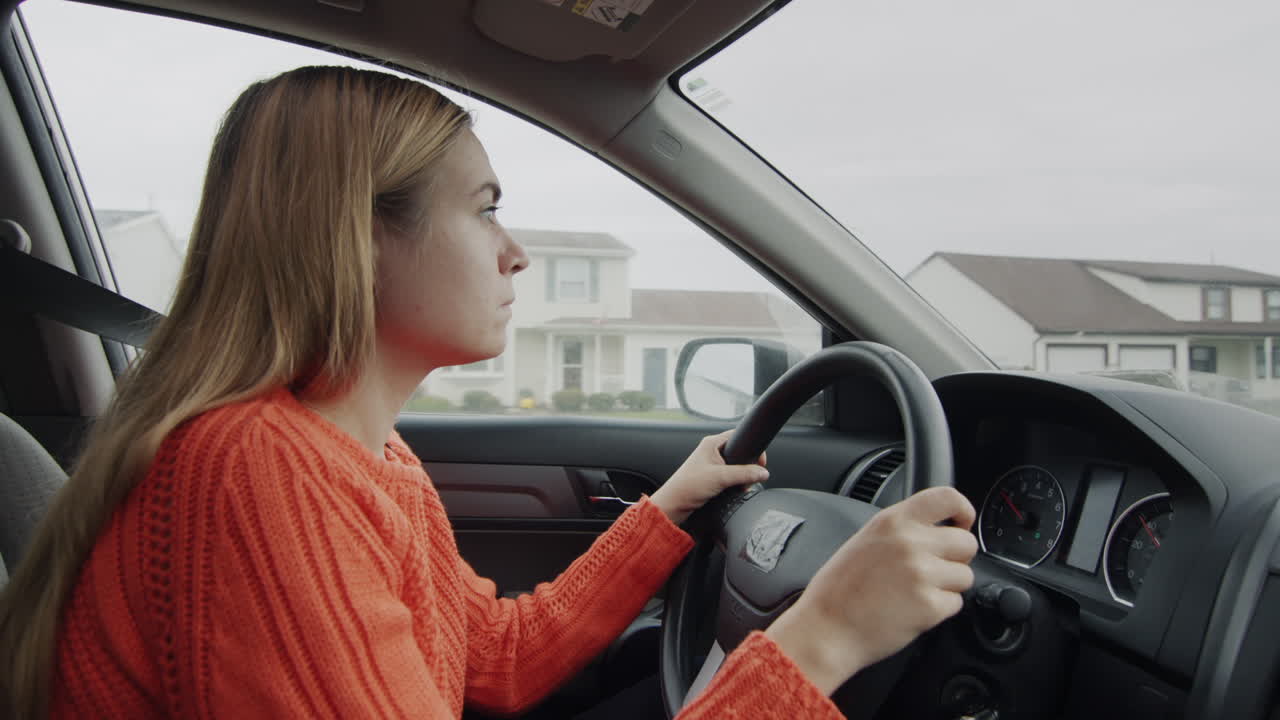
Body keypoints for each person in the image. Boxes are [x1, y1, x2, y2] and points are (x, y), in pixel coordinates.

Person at [0, 66, 978, 719]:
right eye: (484, 210)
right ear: (357, 236)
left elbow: (497, 659)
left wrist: (669, 511)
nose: (514, 254)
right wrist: (822, 637)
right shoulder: (257, 475)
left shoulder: (361, 457)